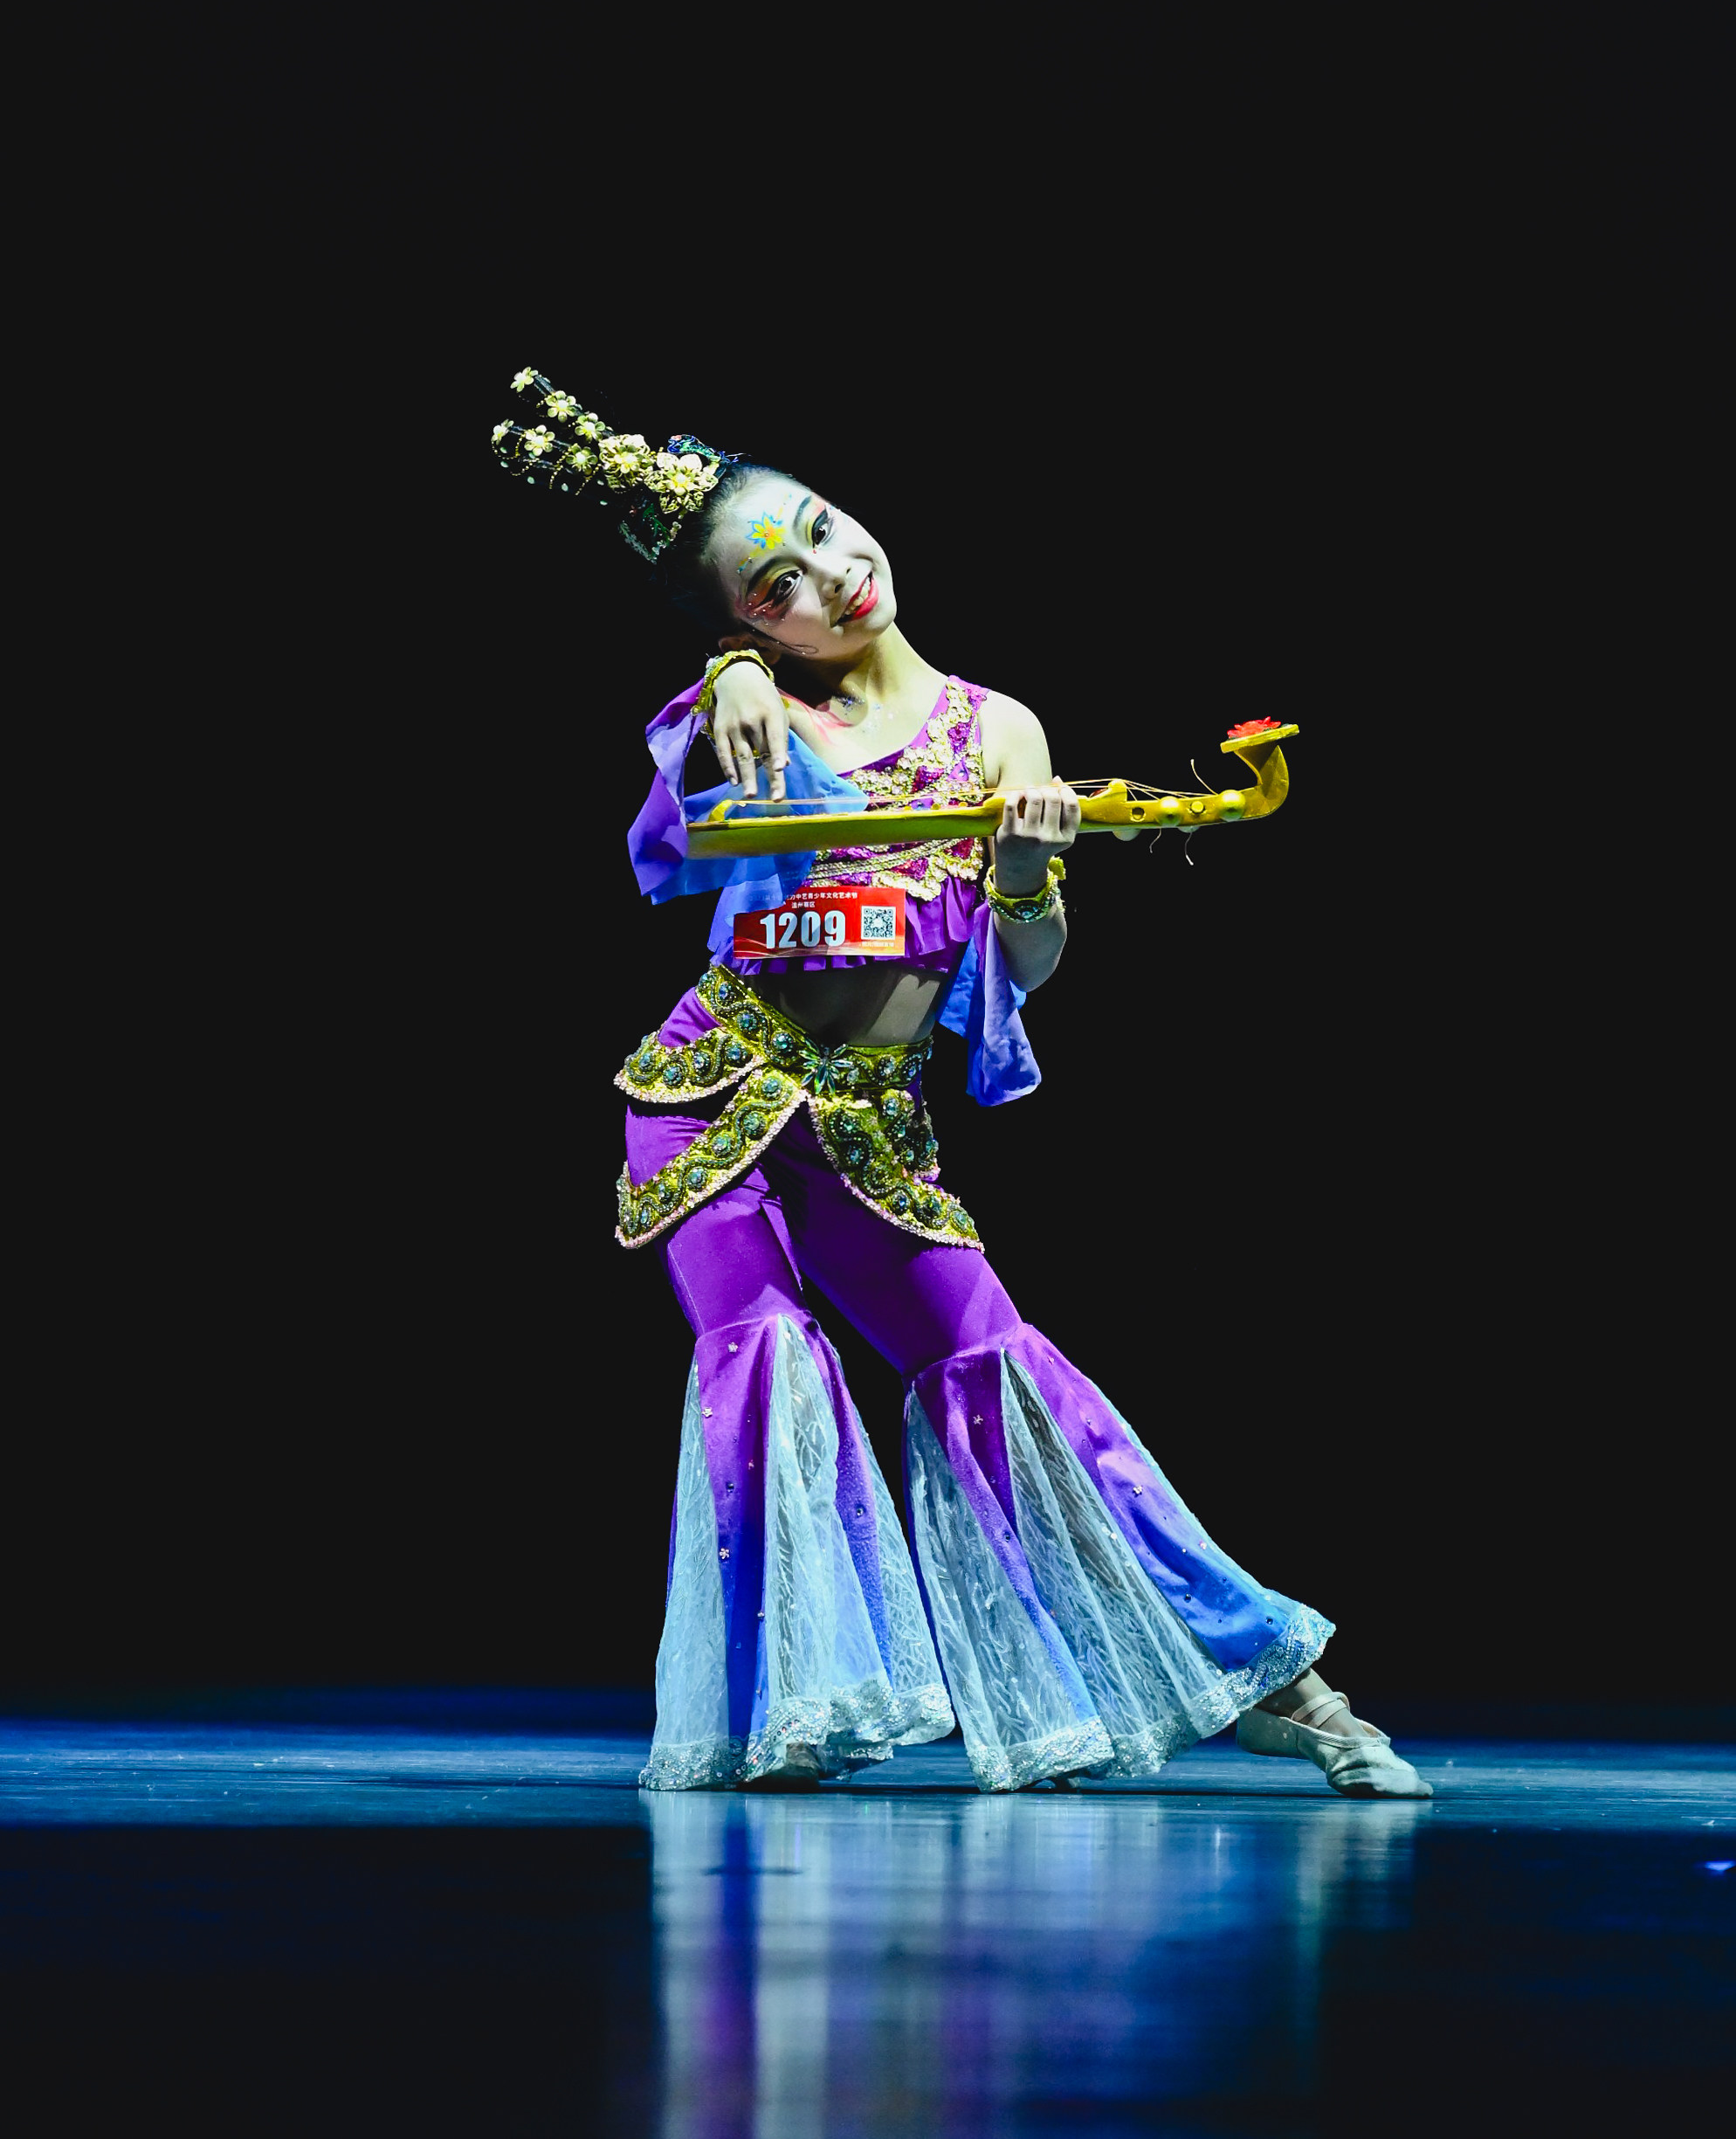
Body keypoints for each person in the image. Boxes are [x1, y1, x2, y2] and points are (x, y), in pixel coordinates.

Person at [493, 382, 1429, 1799]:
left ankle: (1273, 1682)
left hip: (873, 1122)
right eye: (776, 588)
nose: (831, 576)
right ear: (750, 625)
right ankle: (791, 1705)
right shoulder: (749, 711)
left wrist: (1032, 873)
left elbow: (1025, 966)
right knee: (760, 1360)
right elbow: (677, 813)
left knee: (1004, 1384)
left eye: (822, 530)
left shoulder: (998, 732)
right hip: (713, 1094)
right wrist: (724, 681)